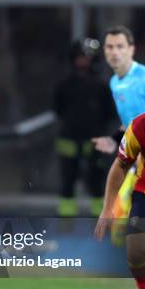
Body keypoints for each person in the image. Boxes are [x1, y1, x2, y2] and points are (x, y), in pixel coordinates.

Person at [91, 26, 145, 289]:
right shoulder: (116, 82)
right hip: (141, 166)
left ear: (132, 49)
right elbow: (133, 125)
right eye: (109, 47)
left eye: (119, 47)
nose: (114, 52)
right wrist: (115, 139)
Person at [54, 38, 116, 217]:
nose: (83, 61)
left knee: (96, 179)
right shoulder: (64, 86)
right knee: (68, 179)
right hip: (69, 140)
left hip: (95, 141)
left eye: (87, 57)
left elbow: (109, 114)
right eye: (80, 56)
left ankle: (100, 215)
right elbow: (59, 110)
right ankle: (66, 217)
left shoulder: (101, 87)